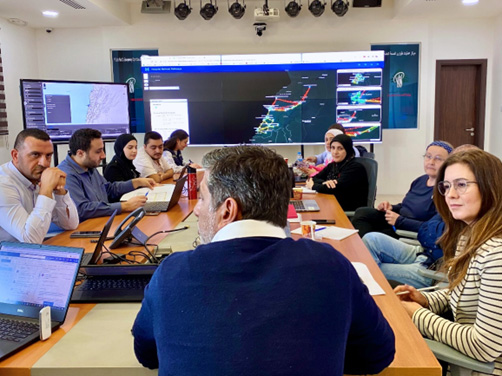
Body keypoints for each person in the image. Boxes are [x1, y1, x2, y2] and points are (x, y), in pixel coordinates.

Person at [132, 145, 395, 376]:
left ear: (228, 209)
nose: (198, 209)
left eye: (202, 198)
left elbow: (148, 355)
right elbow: (377, 354)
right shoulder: (331, 266)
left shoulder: (171, 273)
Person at [396, 149, 502, 375]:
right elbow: (463, 290)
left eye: (461, 185)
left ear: (491, 188)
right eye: (446, 186)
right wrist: (424, 299)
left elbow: (485, 347)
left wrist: (417, 314)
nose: (450, 195)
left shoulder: (497, 255)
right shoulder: (469, 234)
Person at [352, 140, 453, 238]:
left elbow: (432, 228)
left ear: (448, 163)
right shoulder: (420, 181)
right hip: (398, 224)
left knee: (370, 235)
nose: (431, 162)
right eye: (428, 156)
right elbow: (405, 206)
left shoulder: (445, 190)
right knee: (362, 213)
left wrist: (399, 221)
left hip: (409, 233)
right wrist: (391, 207)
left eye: (438, 159)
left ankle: (363, 252)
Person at [58, 128, 156, 222]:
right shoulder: (66, 175)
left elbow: (108, 189)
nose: (103, 155)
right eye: (98, 151)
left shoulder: (89, 167)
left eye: (102, 150)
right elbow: (82, 209)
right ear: (80, 153)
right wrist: (124, 206)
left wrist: (136, 182)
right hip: (84, 228)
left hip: (102, 221)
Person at [0, 129, 79, 243]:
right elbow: (31, 240)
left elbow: (70, 224)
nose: (44, 163)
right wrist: (46, 190)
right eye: (35, 155)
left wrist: (59, 192)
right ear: (15, 155)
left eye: (48, 156)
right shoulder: (3, 184)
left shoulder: (36, 176)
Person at [363, 213, 445, 288]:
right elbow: (423, 230)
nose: (450, 196)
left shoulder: (457, 217)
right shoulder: (450, 209)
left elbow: (429, 233)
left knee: (367, 272)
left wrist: (431, 233)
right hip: (424, 251)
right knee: (371, 239)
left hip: (433, 269)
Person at [306, 134, 368, 211]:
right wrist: (325, 183)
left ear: (347, 150)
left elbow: (335, 189)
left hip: (347, 210)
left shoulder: (355, 168)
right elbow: (314, 178)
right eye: (333, 148)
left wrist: (313, 186)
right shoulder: (333, 165)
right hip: (333, 204)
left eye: (340, 148)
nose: (335, 152)